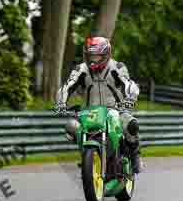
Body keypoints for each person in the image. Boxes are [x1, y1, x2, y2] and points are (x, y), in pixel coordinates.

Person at [54, 36, 142, 173]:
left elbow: (129, 84)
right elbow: (67, 86)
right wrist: (61, 102)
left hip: (115, 110)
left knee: (131, 125)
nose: (93, 59)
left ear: (106, 54)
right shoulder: (80, 70)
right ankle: (87, 155)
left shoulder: (117, 67)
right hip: (90, 112)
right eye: (90, 56)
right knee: (70, 126)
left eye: (97, 56)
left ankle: (135, 155)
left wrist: (131, 98)